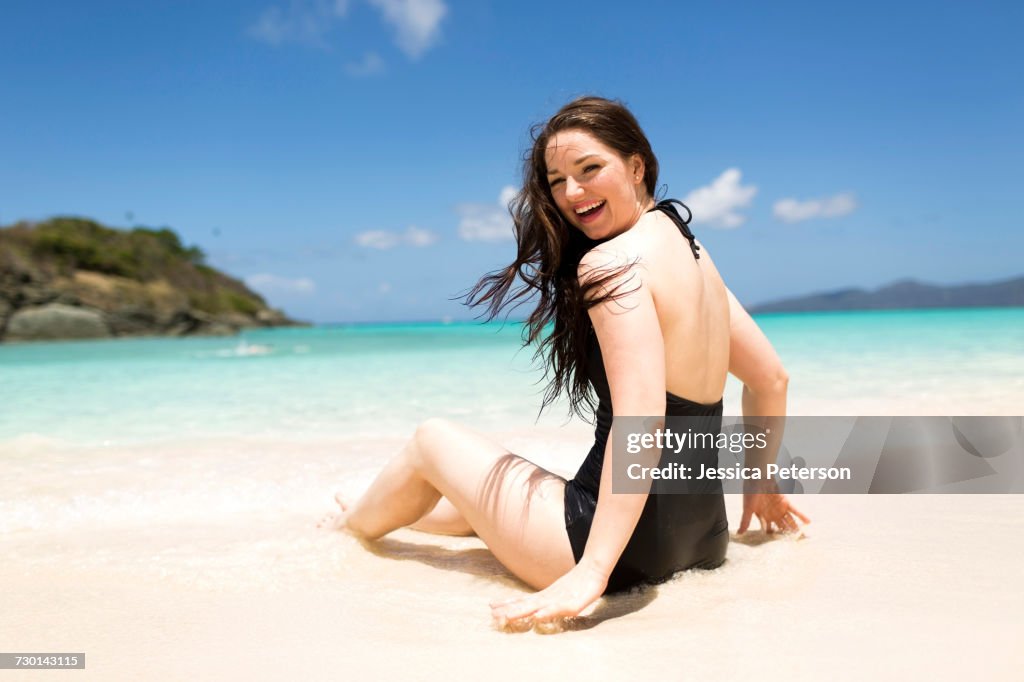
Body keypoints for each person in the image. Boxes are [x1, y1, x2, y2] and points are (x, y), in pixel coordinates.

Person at [325, 96, 808, 627]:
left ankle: (348, 531)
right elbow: (771, 378)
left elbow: (640, 422)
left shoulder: (611, 263)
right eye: (556, 181)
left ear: (636, 165)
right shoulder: (692, 250)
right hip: (703, 538)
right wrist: (760, 482)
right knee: (475, 505)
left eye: (589, 169)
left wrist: (592, 572)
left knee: (431, 440)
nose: (572, 193)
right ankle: (383, 507)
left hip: (611, 548)